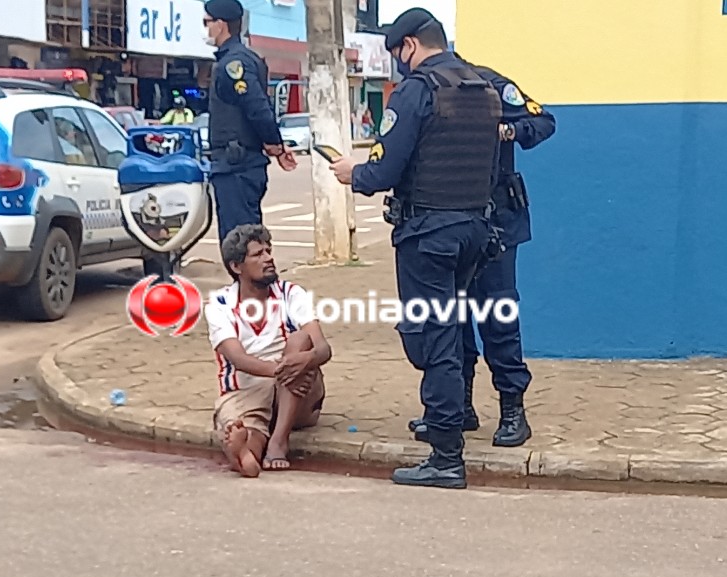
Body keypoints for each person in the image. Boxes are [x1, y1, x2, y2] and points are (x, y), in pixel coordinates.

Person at [327, 8, 503, 490]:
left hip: (428, 235)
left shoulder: (417, 91)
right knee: (450, 330)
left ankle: (446, 455)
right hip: (472, 228)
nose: (399, 64)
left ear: (409, 45)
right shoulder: (482, 88)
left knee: (434, 338)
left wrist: (353, 175)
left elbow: (383, 171)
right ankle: (443, 416)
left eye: (397, 53)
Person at [407, 55, 557, 448]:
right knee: (449, 320)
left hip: (497, 221)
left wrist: (506, 131)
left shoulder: (490, 84)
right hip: (452, 220)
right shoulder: (429, 92)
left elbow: (543, 122)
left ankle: (513, 411)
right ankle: (458, 409)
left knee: (496, 314)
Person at [205, 224, 333, 477]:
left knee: (299, 341)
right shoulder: (220, 304)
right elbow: (238, 359)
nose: (268, 258)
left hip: (300, 397)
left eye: (269, 251)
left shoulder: (291, 293)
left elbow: (323, 348)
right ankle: (244, 454)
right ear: (236, 267)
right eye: (258, 254)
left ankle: (279, 442)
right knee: (245, 433)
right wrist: (282, 370)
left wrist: (305, 360)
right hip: (248, 391)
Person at [203, 0, 297, 244]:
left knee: (240, 244)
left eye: (207, 23)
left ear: (221, 25)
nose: (206, 29)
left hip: (237, 166)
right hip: (236, 165)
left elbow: (257, 107)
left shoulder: (235, 64)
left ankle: (252, 284)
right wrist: (273, 144)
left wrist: (274, 142)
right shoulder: (239, 59)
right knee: (241, 242)